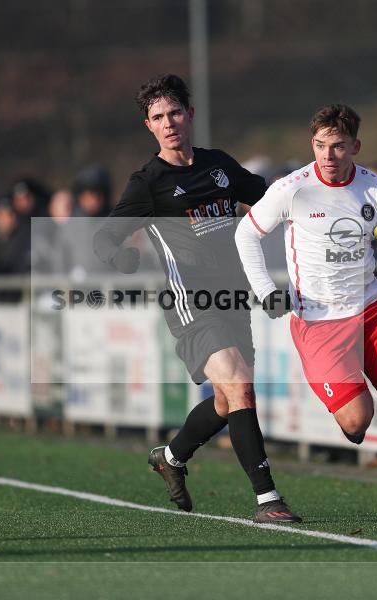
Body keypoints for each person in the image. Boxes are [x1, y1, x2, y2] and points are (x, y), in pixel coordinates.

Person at [92, 74, 300, 523]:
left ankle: (171, 456)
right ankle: (268, 499)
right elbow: (103, 239)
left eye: (174, 113)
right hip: (191, 302)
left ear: (190, 115)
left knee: (228, 402)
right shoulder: (148, 182)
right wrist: (121, 256)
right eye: (157, 117)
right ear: (148, 126)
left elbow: (267, 201)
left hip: (233, 299)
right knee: (240, 385)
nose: (168, 123)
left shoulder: (218, 165)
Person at [234, 104, 377, 522]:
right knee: (358, 420)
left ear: (355, 147)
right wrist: (266, 290)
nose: (328, 155)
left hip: (373, 310)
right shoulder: (292, 188)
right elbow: (246, 235)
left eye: (338, 146)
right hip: (320, 322)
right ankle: (351, 415)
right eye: (320, 145)